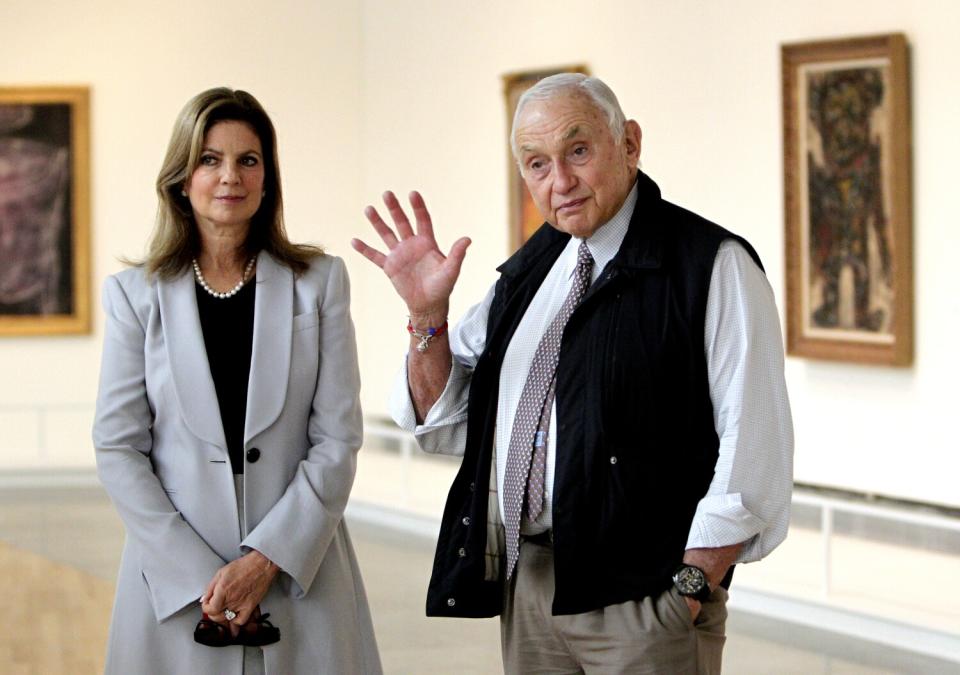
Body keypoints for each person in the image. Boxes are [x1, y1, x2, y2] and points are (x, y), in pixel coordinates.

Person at [352, 73, 793, 674]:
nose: (560, 182)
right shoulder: (535, 267)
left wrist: (689, 590)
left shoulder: (712, 265)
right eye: (537, 164)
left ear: (630, 144)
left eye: (578, 152)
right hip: (529, 583)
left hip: (646, 598)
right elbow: (446, 416)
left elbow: (755, 444)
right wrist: (426, 315)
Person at [93, 88, 382, 675]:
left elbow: (337, 441)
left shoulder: (320, 283)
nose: (230, 176)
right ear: (181, 177)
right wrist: (206, 576)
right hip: (175, 592)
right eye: (210, 159)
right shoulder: (133, 296)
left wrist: (265, 560)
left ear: (268, 178)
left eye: (248, 160)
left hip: (302, 575)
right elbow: (119, 447)